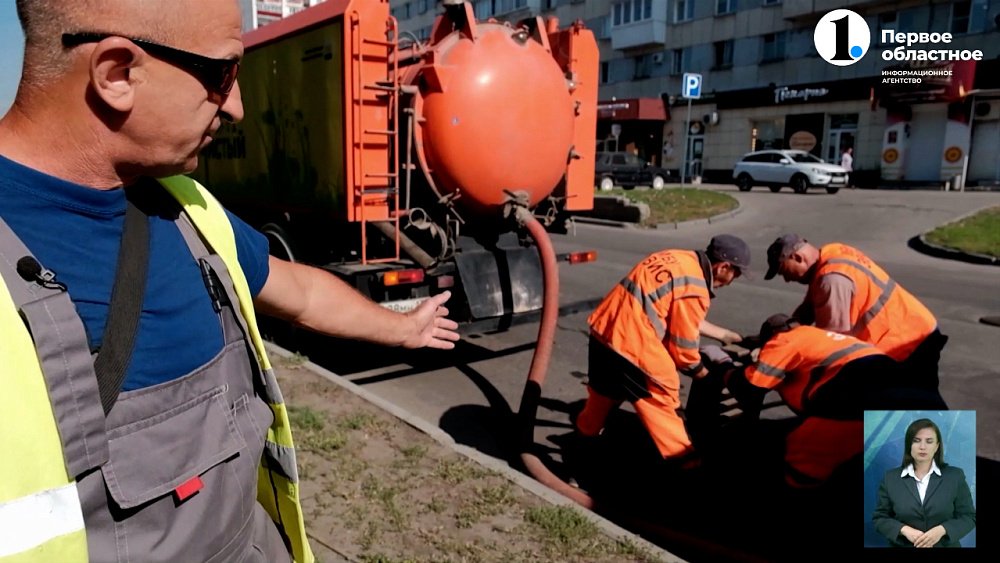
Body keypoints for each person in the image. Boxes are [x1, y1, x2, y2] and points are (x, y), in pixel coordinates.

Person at [0, 1, 459, 561]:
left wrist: (403, 328)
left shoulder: (186, 207)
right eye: (221, 74)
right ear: (117, 73)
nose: (237, 107)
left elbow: (301, 293)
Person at [574, 234, 751, 464]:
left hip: (604, 332)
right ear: (723, 267)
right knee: (664, 401)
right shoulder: (695, 286)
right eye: (736, 274)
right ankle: (688, 465)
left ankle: (579, 455)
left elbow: (679, 313)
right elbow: (684, 353)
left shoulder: (676, 258)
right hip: (632, 345)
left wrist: (725, 335)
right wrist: (706, 377)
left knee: (603, 396)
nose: (732, 281)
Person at [717, 315, 947, 488]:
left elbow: (751, 386)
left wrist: (723, 365)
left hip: (867, 406)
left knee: (801, 461)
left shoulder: (783, 340)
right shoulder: (832, 339)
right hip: (930, 406)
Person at [764, 234, 946, 392]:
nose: (787, 280)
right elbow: (807, 310)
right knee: (914, 405)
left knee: (911, 407)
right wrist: (784, 336)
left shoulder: (831, 280)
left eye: (784, 271)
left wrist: (792, 361)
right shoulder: (833, 253)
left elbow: (830, 346)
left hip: (907, 343)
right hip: (917, 329)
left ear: (797, 257)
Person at [872, 418, 976, 548]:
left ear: (937, 446)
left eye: (929, 441)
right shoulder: (890, 478)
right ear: (909, 445)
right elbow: (880, 518)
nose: (922, 447)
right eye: (916, 441)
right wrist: (904, 530)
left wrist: (942, 530)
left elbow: (969, 517)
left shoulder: (955, 476)